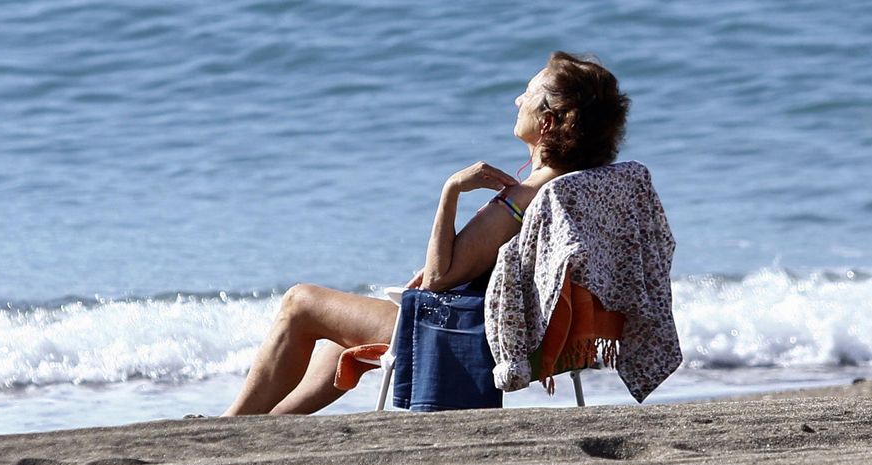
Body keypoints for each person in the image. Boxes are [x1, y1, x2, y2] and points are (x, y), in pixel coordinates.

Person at [221, 52, 632, 416]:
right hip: (525, 336)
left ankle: (233, 422)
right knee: (337, 335)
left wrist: (450, 191)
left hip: (465, 334)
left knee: (301, 303)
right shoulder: (575, 185)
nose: (517, 101)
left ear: (546, 123)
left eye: (526, 93)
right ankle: (272, 423)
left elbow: (438, 280)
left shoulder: (523, 198)